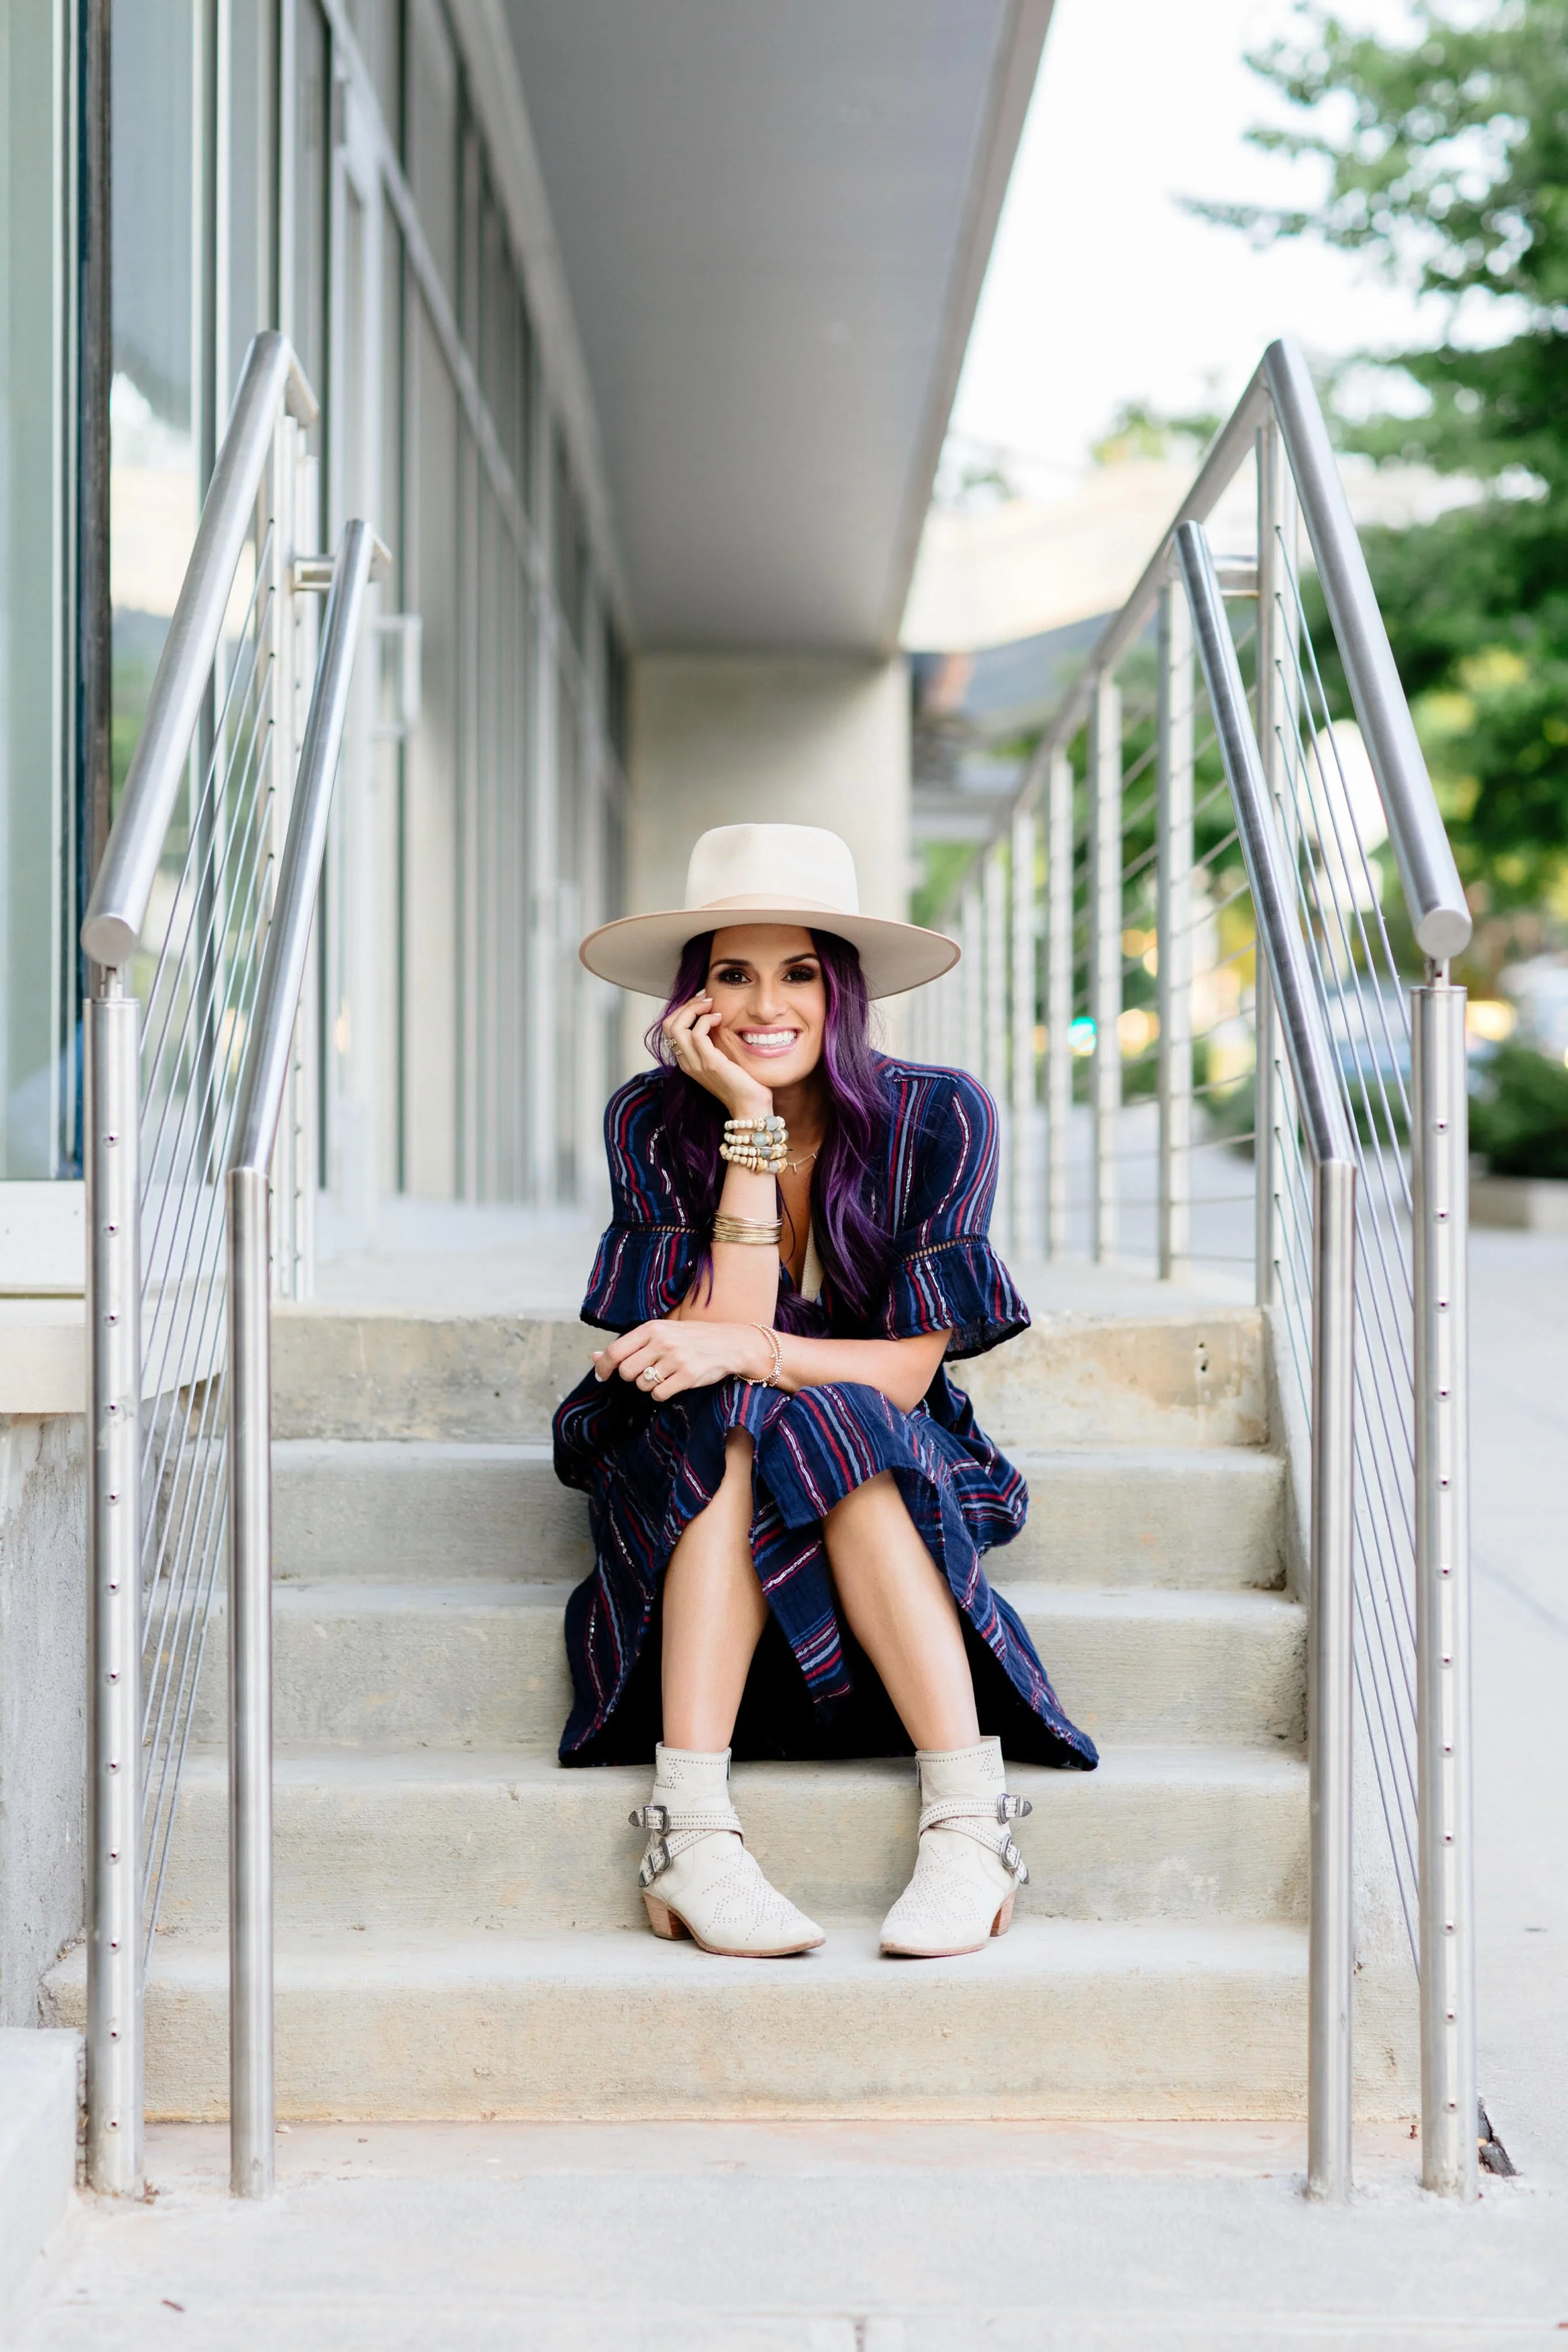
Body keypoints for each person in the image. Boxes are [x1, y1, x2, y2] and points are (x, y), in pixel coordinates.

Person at [554, 822, 1096, 1963]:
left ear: (839, 987)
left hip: (880, 1463)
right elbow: (716, 1342)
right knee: (736, 1413)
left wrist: (748, 1355)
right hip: (698, 1461)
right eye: (733, 973)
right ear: (694, 997)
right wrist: (746, 1126)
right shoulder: (653, 1119)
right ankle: (693, 1831)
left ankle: (967, 1823)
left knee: (828, 1411)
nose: (767, 1002)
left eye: (798, 971)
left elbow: (901, 1369)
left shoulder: (938, 1115)